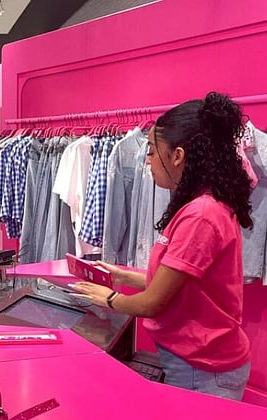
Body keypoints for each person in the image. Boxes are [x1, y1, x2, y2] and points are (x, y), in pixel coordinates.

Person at [71, 92, 253, 401]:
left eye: (153, 151)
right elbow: (180, 285)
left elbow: (152, 304)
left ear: (178, 155)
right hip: (194, 361)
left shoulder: (201, 215)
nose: (147, 160)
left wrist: (107, 298)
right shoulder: (197, 206)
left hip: (203, 367)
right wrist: (123, 277)